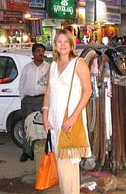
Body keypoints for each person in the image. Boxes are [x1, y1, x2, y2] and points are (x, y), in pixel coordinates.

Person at [42, 29, 92, 194]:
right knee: (61, 165)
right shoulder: (53, 65)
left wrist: (73, 117)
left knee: (68, 166)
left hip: (70, 120)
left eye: (65, 41)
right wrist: (45, 115)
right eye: (59, 42)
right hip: (54, 120)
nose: (62, 45)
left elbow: (88, 91)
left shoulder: (79, 63)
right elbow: (48, 92)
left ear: (71, 44)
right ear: (55, 45)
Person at [18, 43, 50, 162]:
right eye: (38, 51)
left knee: (44, 126)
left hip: (43, 100)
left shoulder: (49, 67)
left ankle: (44, 151)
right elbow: (21, 84)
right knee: (27, 125)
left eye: (42, 51)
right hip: (28, 101)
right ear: (33, 53)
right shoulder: (27, 68)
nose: (41, 53)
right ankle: (27, 152)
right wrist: (23, 99)